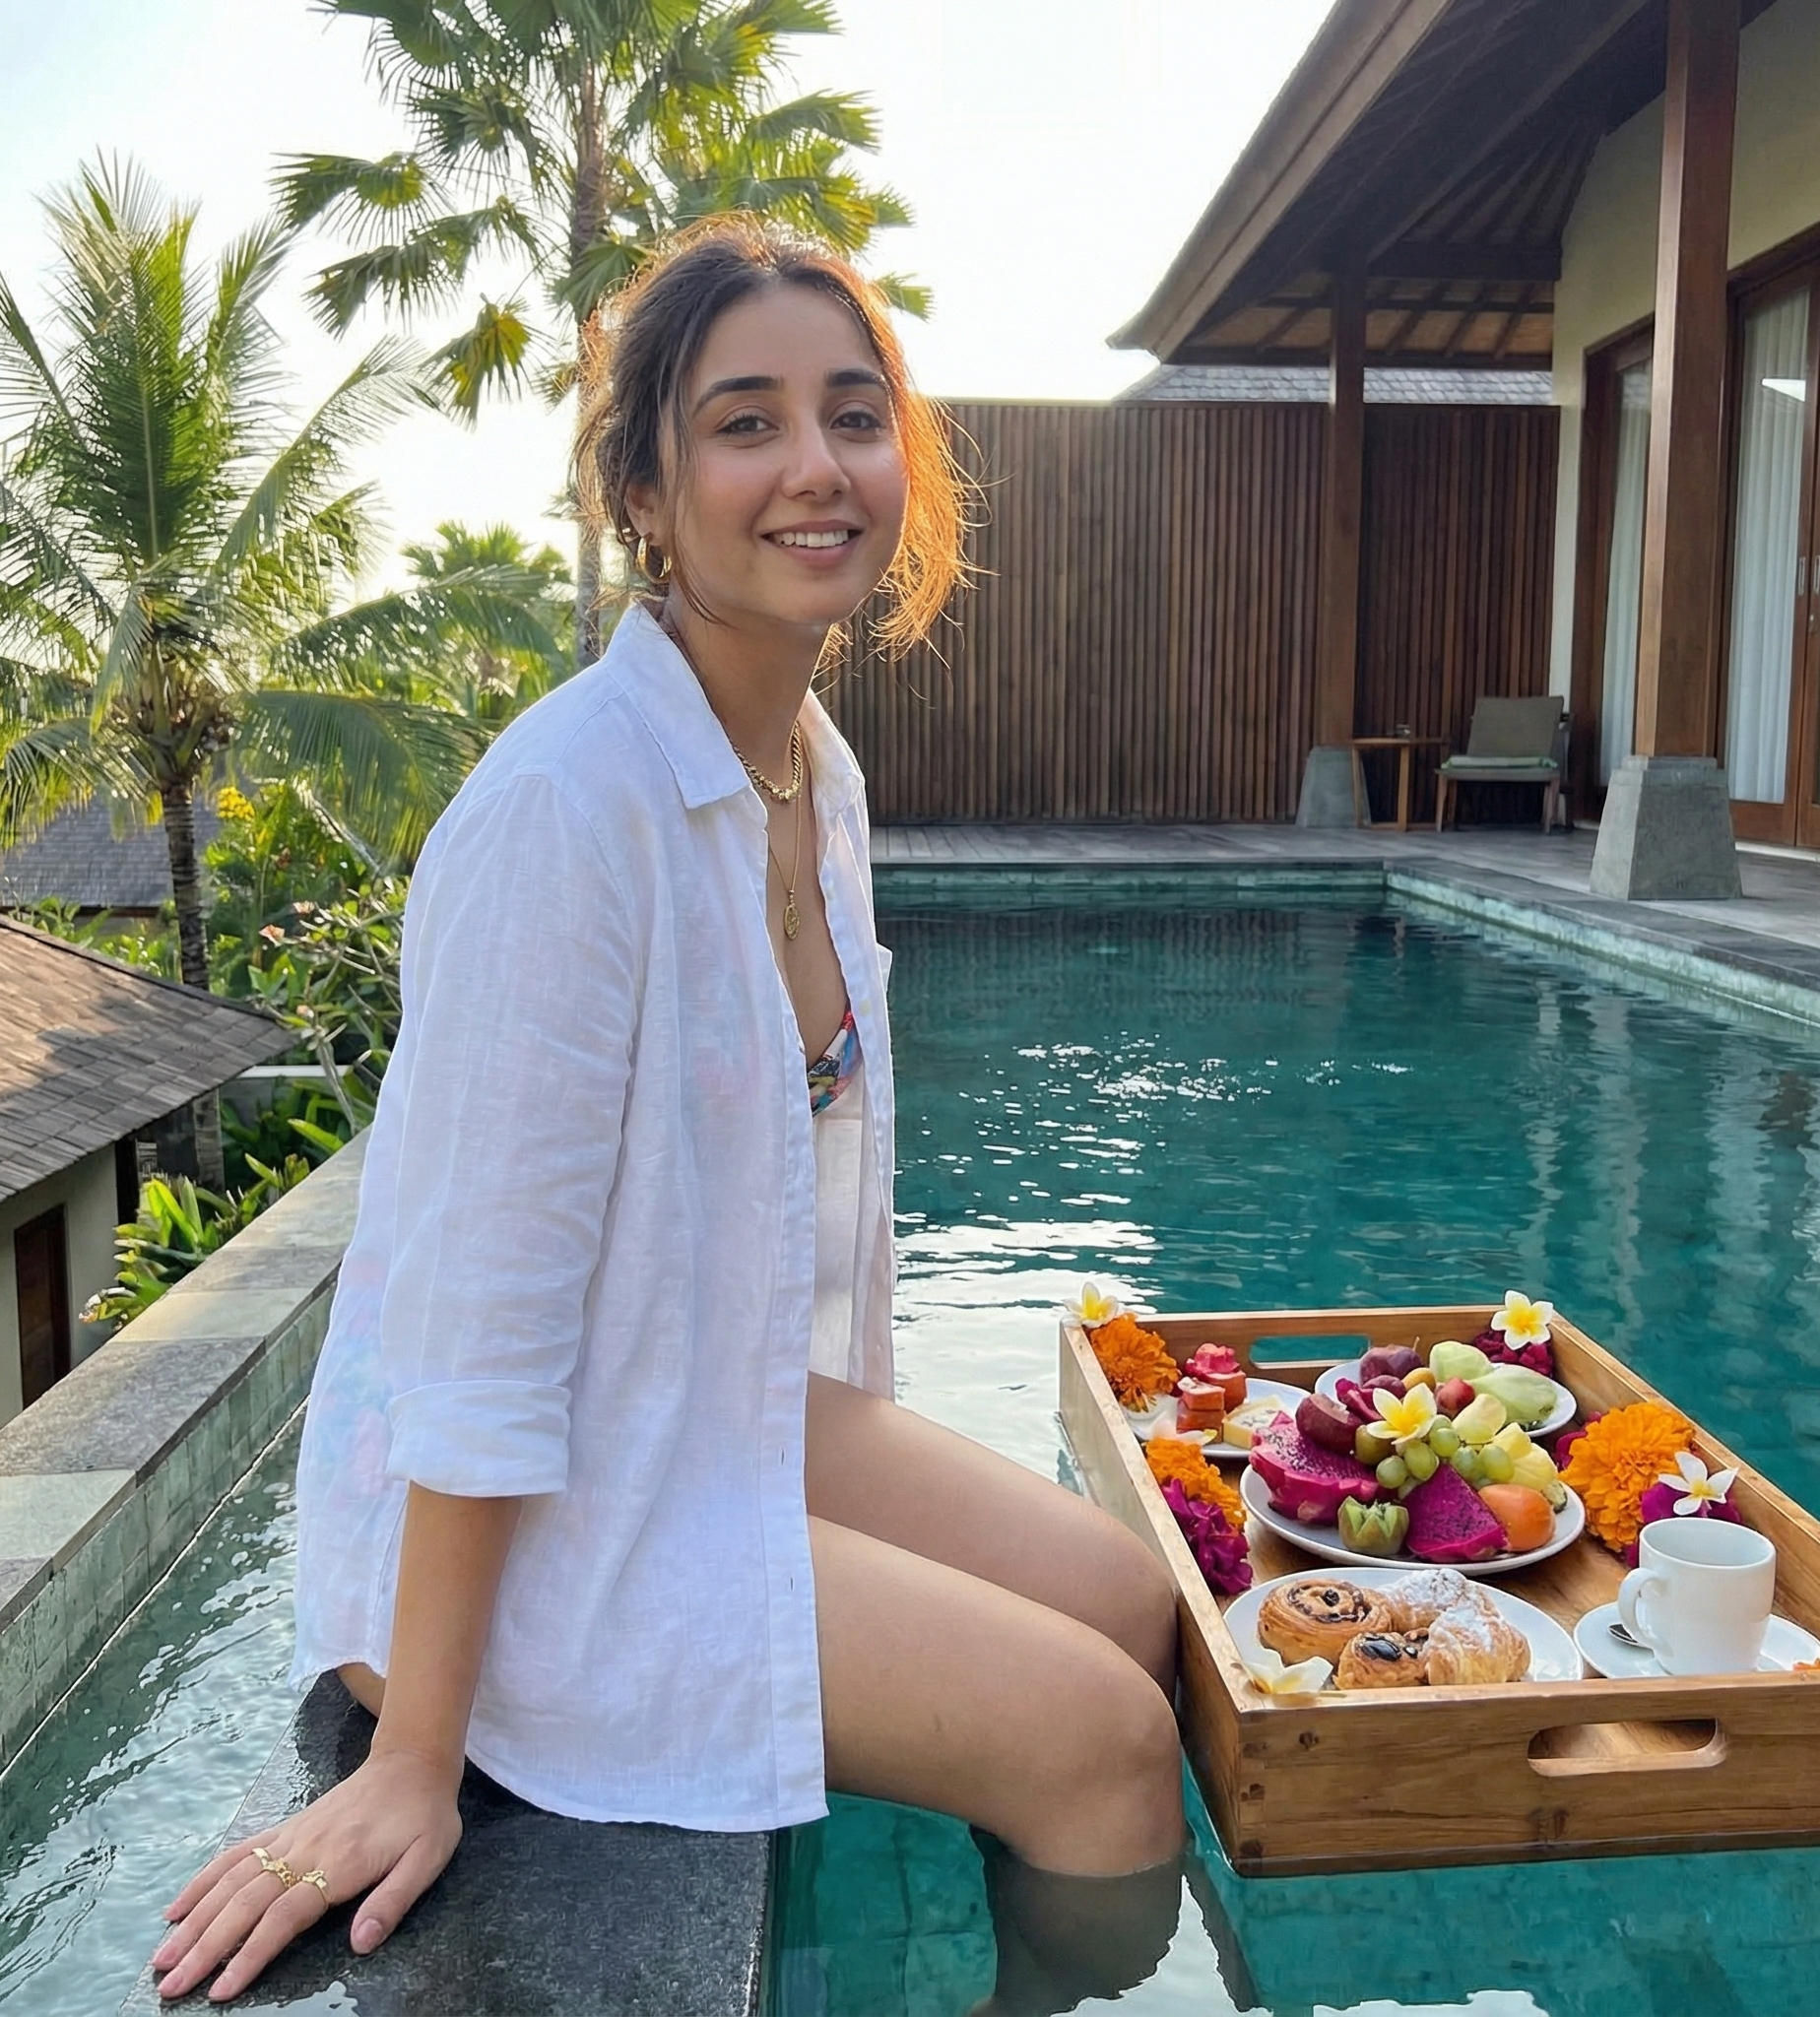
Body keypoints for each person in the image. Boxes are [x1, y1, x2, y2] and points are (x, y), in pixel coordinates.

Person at [151, 219, 1183, 2007]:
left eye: (853, 416)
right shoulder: (569, 811)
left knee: (1132, 1600)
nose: (815, 467)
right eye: (744, 421)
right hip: (541, 1509)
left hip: (694, 1403)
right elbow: (473, 1319)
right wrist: (415, 1759)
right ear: (644, 482)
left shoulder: (813, 772)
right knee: (1099, 1741)